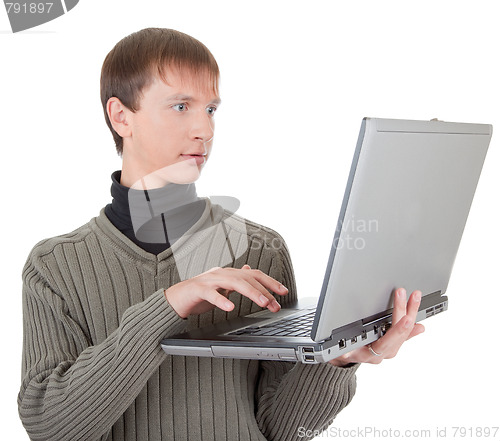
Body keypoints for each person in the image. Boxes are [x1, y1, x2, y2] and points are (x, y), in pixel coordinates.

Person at [17, 28, 425, 441]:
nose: (204, 131)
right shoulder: (55, 266)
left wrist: (336, 361)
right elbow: (51, 428)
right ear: (122, 116)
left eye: (210, 109)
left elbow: (282, 430)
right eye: (180, 106)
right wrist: (168, 306)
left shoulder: (261, 251)